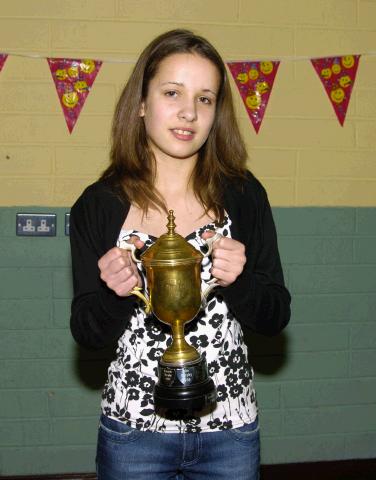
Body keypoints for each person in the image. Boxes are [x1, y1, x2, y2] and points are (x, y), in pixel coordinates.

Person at [69, 29, 291, 480]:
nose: (189, 111)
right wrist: (115, 292)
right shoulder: (99, 204)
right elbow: (87, 333)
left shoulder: (243, 195)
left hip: (229, 429)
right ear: (142, 103)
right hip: (134, 432)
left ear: (216, 113)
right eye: (172, 93)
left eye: (205, 99)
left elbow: (275, 316)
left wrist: (241, 280)